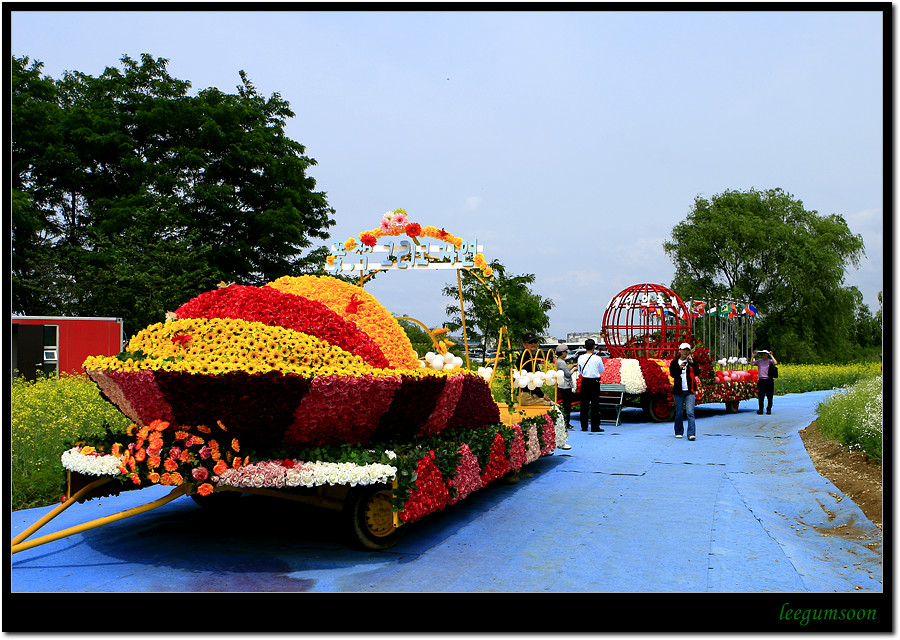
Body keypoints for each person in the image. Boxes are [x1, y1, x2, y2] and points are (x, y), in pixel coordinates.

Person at [669, 342, 701, 440]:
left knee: (690, 412)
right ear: (680, 351)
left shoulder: (692, 362)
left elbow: (697, 372)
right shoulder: (674, 362)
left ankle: (691, 433)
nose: (686, 352)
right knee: (679, 412)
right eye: (684, 350)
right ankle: (679, 431)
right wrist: (680, 368)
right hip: (679, 391)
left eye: (687, 350)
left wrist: (692, 363)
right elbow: (673, 374)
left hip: (690, 390)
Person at [577, 338, 605, 432]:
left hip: (585, 381)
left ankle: (584, 426)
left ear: (585, 347)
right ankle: (595, 426)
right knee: (595, 405)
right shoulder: (597, 358)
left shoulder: (580, 358)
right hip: (594, 382)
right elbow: (601, 370)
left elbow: (580, 371)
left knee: (584, 404)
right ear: (594, 347)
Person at [518, 333, 553, 407]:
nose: (533, 344)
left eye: (535, 342)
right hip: (527, 395)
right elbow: (530, 380)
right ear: (524, 345)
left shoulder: (533, 357)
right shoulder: (524, 359)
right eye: (530, 342)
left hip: (532, 394)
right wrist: (541, 395)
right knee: (553, 407)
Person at [555, 344, 576, 429]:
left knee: (565, 405)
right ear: (563, 353)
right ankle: (566, 423)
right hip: (565, 386)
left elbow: (564, 371)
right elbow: (567, 374)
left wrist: (571, 366)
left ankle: (565, 423)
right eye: (566, 352)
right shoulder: (562, 362)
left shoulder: (557, 361)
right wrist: (574, 369)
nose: (567, 354)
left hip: (561, 385)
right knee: (567, 406)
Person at [753, 349, 779, 415]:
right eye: (763, 354)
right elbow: (752, 363)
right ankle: (760, 409)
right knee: (761, 396)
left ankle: (769, 409)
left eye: (765, 354)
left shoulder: (769, 361)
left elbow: (775, 362)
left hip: (768, 380)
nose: (764, 355)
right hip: (761, 380)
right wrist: (753, 356)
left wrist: (771, 355)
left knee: (769, 396)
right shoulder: (759, 361)